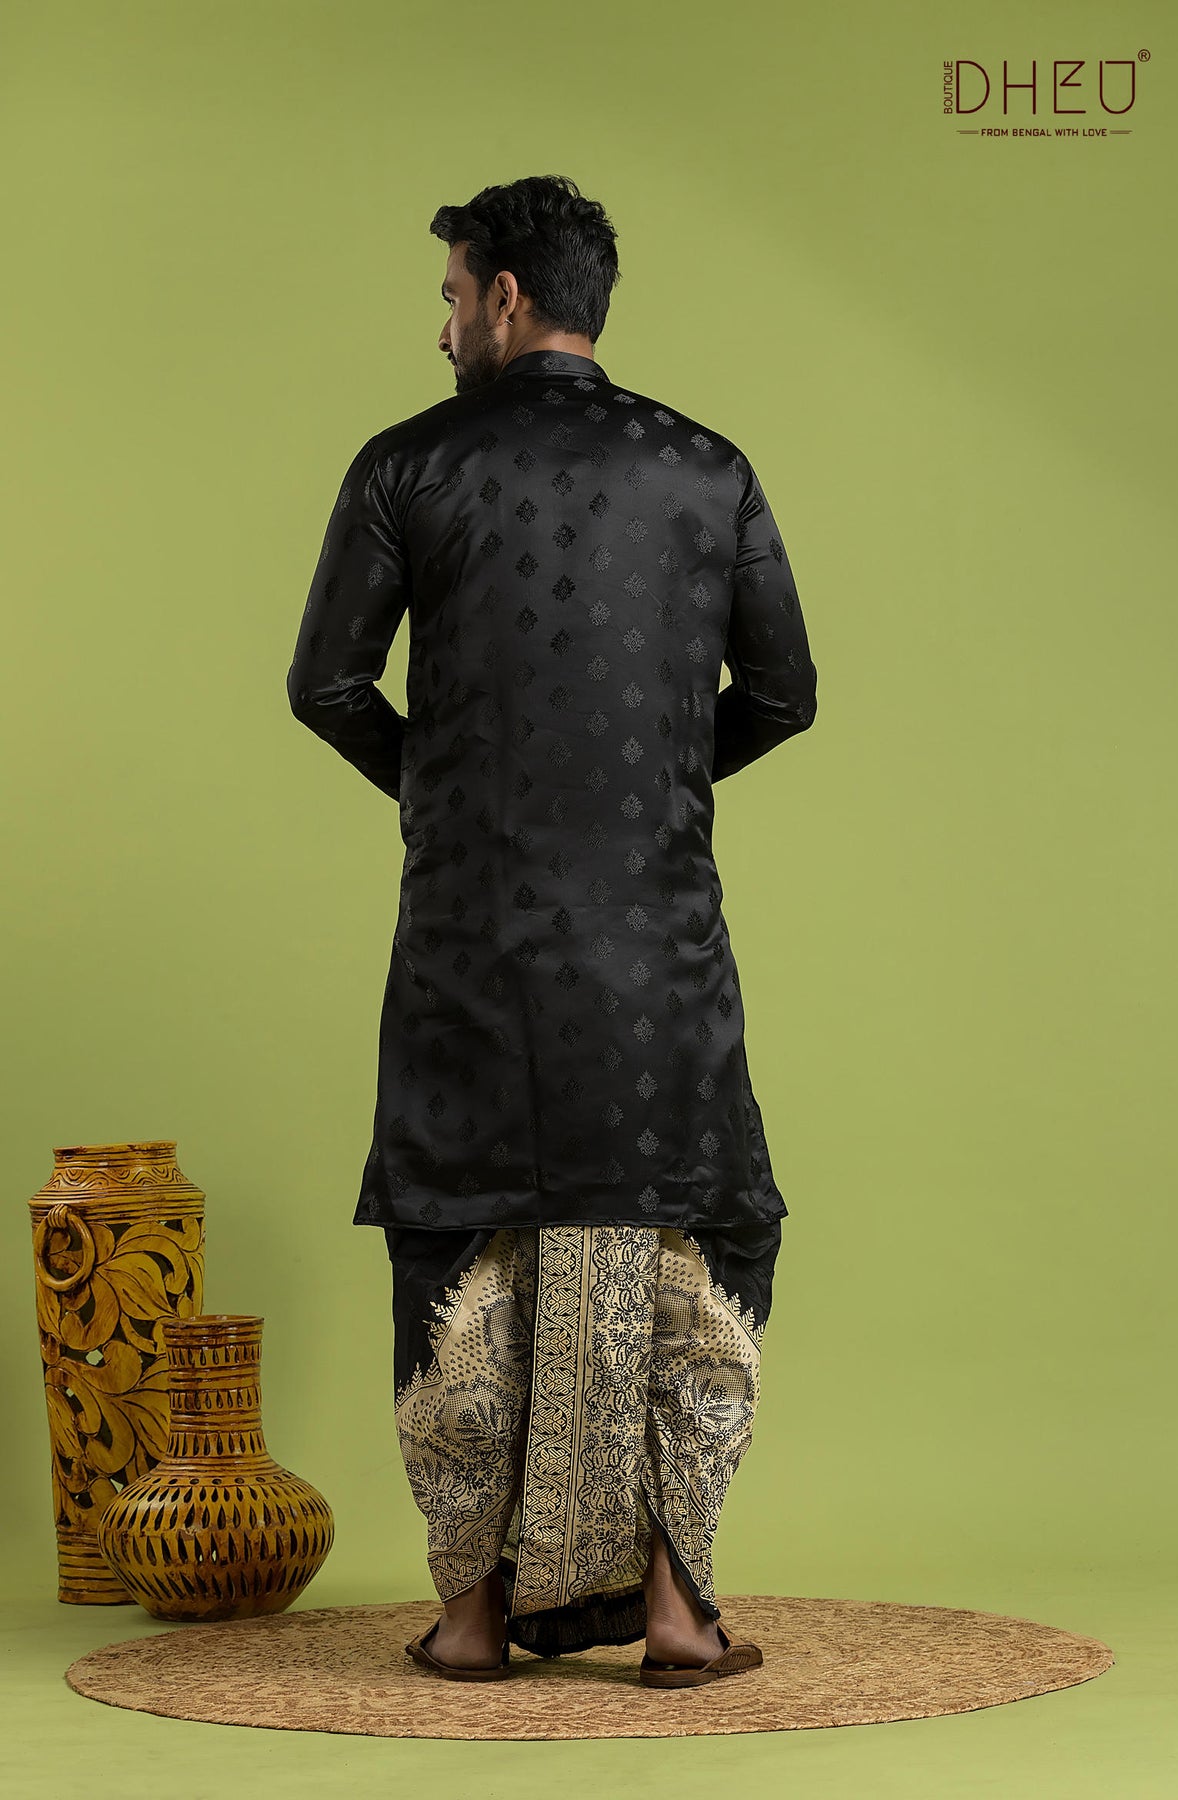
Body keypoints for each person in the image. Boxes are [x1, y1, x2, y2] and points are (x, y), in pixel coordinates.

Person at [287, 174, 818, 1686]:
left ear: (506, 297)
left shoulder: (407, 464)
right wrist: (651, 789)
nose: (443, 325)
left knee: (454, 1229)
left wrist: (448, 791)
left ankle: (469, 1616)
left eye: (452, 296)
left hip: (471, 938)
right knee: (698, 1229)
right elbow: (784, 695)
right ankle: (676, 1608)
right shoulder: (707, 469)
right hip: (657, 944)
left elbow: (327, 686)